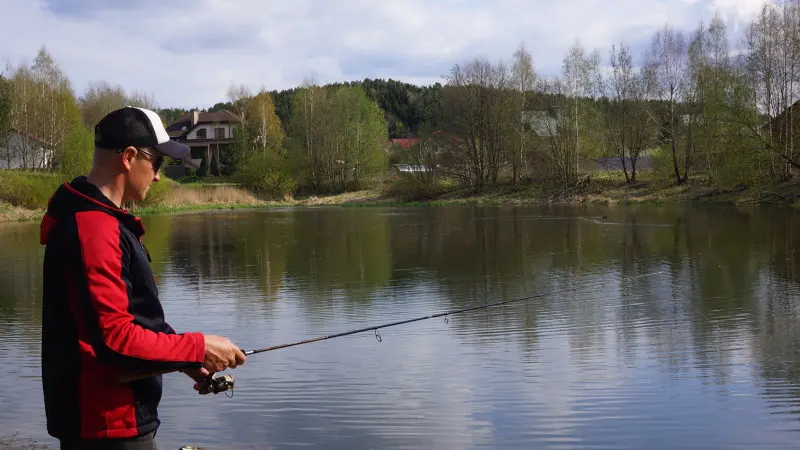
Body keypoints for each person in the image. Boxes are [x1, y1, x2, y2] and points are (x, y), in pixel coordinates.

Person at [39, 106, 247, 449]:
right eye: (157, 164)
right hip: (107, 425)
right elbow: (116, 341)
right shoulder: (95, 229)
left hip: (110, 421)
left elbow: (130, 317)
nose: (158, 177)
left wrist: (184, 361)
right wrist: (197, 347)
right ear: (129, 157)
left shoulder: (100, 222)